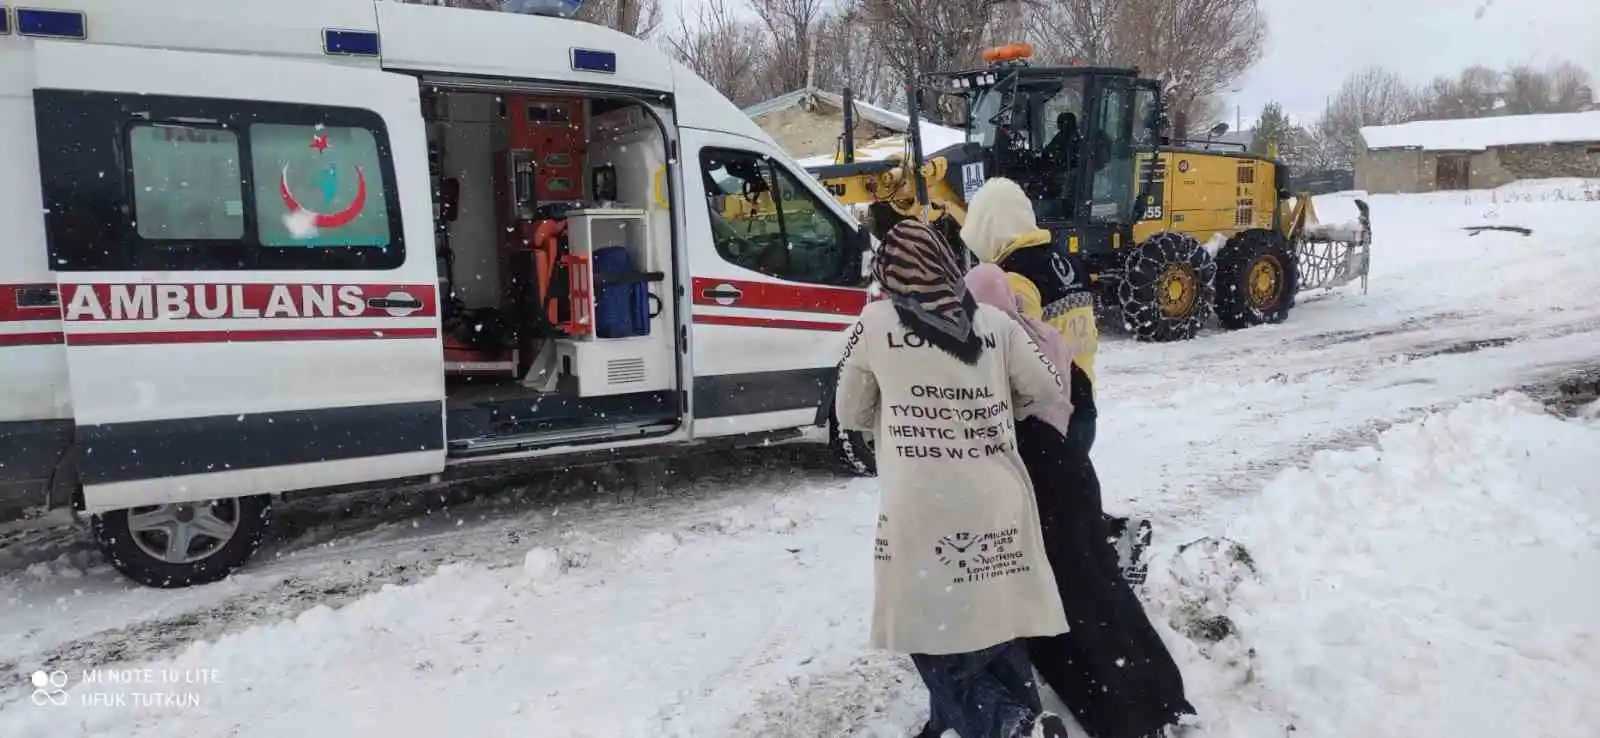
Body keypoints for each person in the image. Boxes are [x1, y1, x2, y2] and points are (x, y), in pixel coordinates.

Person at [834, 220, 1072, 738]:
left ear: (888, 275)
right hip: (996, 498)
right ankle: (1008, 725)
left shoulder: (874, 324)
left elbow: (849, 413)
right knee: (995, 624)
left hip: (924, 507)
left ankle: (1012, 727)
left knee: (934, 638)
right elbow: (1049, 389)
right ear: (946, 263)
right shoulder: (995, 324)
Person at [966, 263, 1198, 738]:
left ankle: (1121, 714)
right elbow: (1078, 397)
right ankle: (1161, 692)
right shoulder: (1045, 335)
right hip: (1070, 467)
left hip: (1033, 477)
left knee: (1063, 602)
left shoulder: (992, 348)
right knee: (1102, 585)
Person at [959, 177, 1099, 457]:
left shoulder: (1014, 277)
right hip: (1083, 405)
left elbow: (1014, 359)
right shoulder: (1067, 261)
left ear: (989, 228)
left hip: (1048, 420)